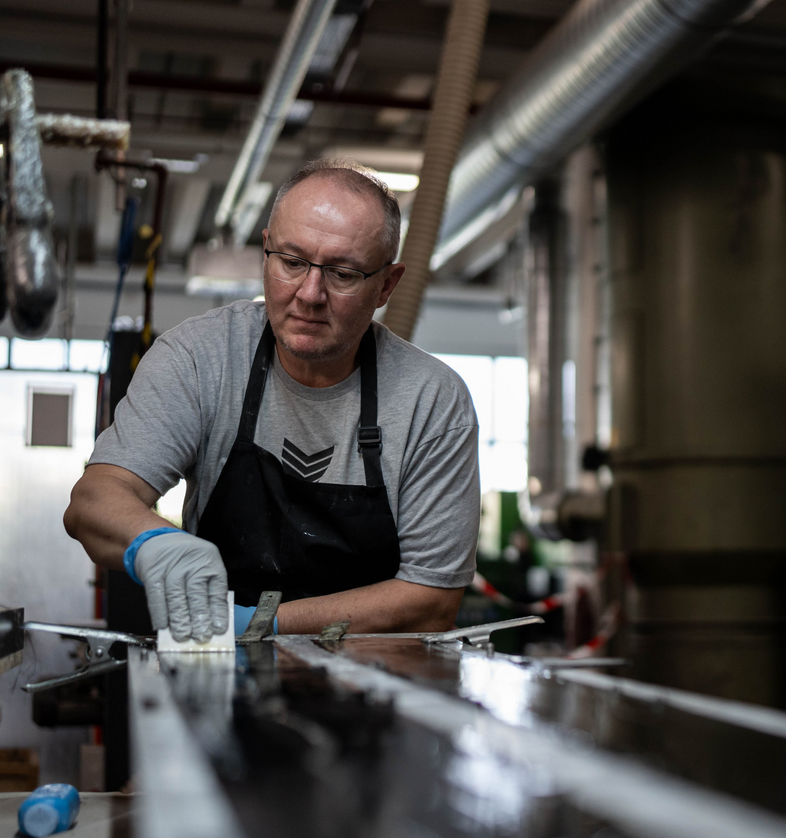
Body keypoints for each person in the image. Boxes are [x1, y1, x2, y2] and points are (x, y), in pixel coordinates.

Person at [65, 158, 480, 642]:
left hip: (372, 694)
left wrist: (261, 627)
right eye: (292, 261)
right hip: (215, 679)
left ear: (386, 285)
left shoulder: (432, 401)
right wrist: (155, 543)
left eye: (343, 273)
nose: (309, 293)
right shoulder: (202, 357)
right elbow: (93, 501)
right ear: (265, 252)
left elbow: (431, 602)